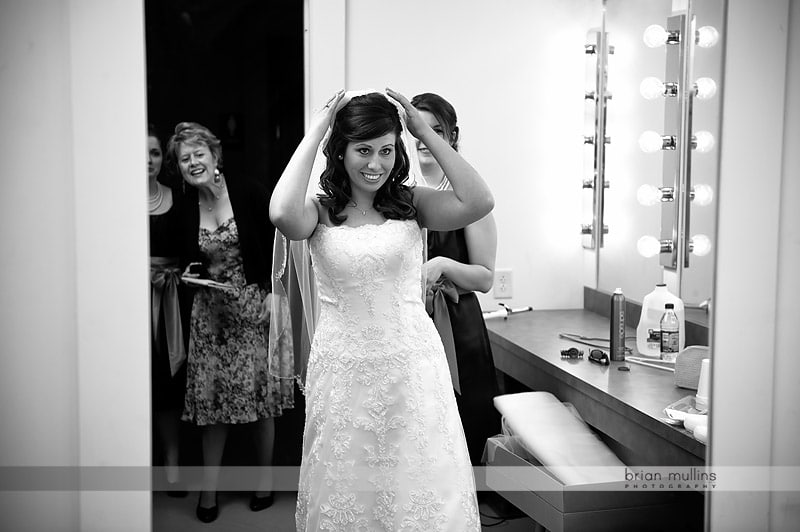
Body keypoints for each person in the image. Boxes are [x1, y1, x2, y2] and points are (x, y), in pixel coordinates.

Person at [269, 89, 494, 531]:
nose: (375, 163)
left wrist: (422, 128)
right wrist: (317, 129)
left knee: (418, 489)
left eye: (387, 150)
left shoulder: (413, 204)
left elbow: (479, 201)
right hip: (344, 372)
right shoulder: (319, 212)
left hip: (412, 367)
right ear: (341, 151)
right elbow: (280, 213)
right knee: (349, 492)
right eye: (363, 150)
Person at [166, 122, 293, 523]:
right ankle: (209, 491)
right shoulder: (184, 208)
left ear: (215, 156)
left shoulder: (250, 191)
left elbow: (280, 243)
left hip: (255, 307)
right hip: (209, 317)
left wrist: (276, 291)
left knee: (263, 402)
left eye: (198, 154)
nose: (192, 163)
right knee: (211, 405)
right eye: (185, 159)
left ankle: (264, 481)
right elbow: (178, 259)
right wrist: (183, 276)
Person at [410, 93, 502, 469]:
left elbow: (484, 277)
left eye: (434, 130)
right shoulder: (404, 193)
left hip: (457, 323)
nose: (424, 139)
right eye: (417, 130)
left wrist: (443, 265)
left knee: (464, 417)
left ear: (452, 135)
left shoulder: (469, 199)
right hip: (414, 324)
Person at [148, 125, 190, 497]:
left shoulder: (176, 198)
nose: (149, 161)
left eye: (156, 153)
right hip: (130, 307)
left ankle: (172, 463)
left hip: (170, 300)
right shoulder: (119, 202)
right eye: (142, 153)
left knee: (167, 385)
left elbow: (187, 253)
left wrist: (170, 274)